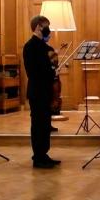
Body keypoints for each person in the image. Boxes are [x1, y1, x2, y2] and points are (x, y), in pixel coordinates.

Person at [23, 15, 61, 168]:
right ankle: (37, 156)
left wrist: (54, 68)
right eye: (46, 26)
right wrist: (52, 72)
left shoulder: (47, 48)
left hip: (47, 91)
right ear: (39, 26)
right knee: (38, 124)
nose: (48, 29)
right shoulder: (30, 46)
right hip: (37, 91)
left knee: (46, 124)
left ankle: (44, 154)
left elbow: (52, 66)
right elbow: (32, 72)